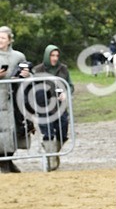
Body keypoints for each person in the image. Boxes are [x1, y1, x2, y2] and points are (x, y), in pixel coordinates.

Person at [31, 44, 74, 171]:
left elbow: (70, 85)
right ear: (47, 56)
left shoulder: (63, 69)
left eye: (57, 55)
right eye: (52, 55)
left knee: (63, 131)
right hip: (43, 107)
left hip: (60, 107)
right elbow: (31, 88)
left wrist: (66, 92)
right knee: (48, 133)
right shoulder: (37, 70)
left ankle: (54, 153)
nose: (55, 58)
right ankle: (51, 161)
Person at [0, 25, 29, 173]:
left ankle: (9, 160)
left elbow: (29, 73)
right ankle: (3, 163)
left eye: (3, 38)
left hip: (14, 99)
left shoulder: (18, 56)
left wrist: (26, 74)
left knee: (13, 131)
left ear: (10, 40)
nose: (0, 40)